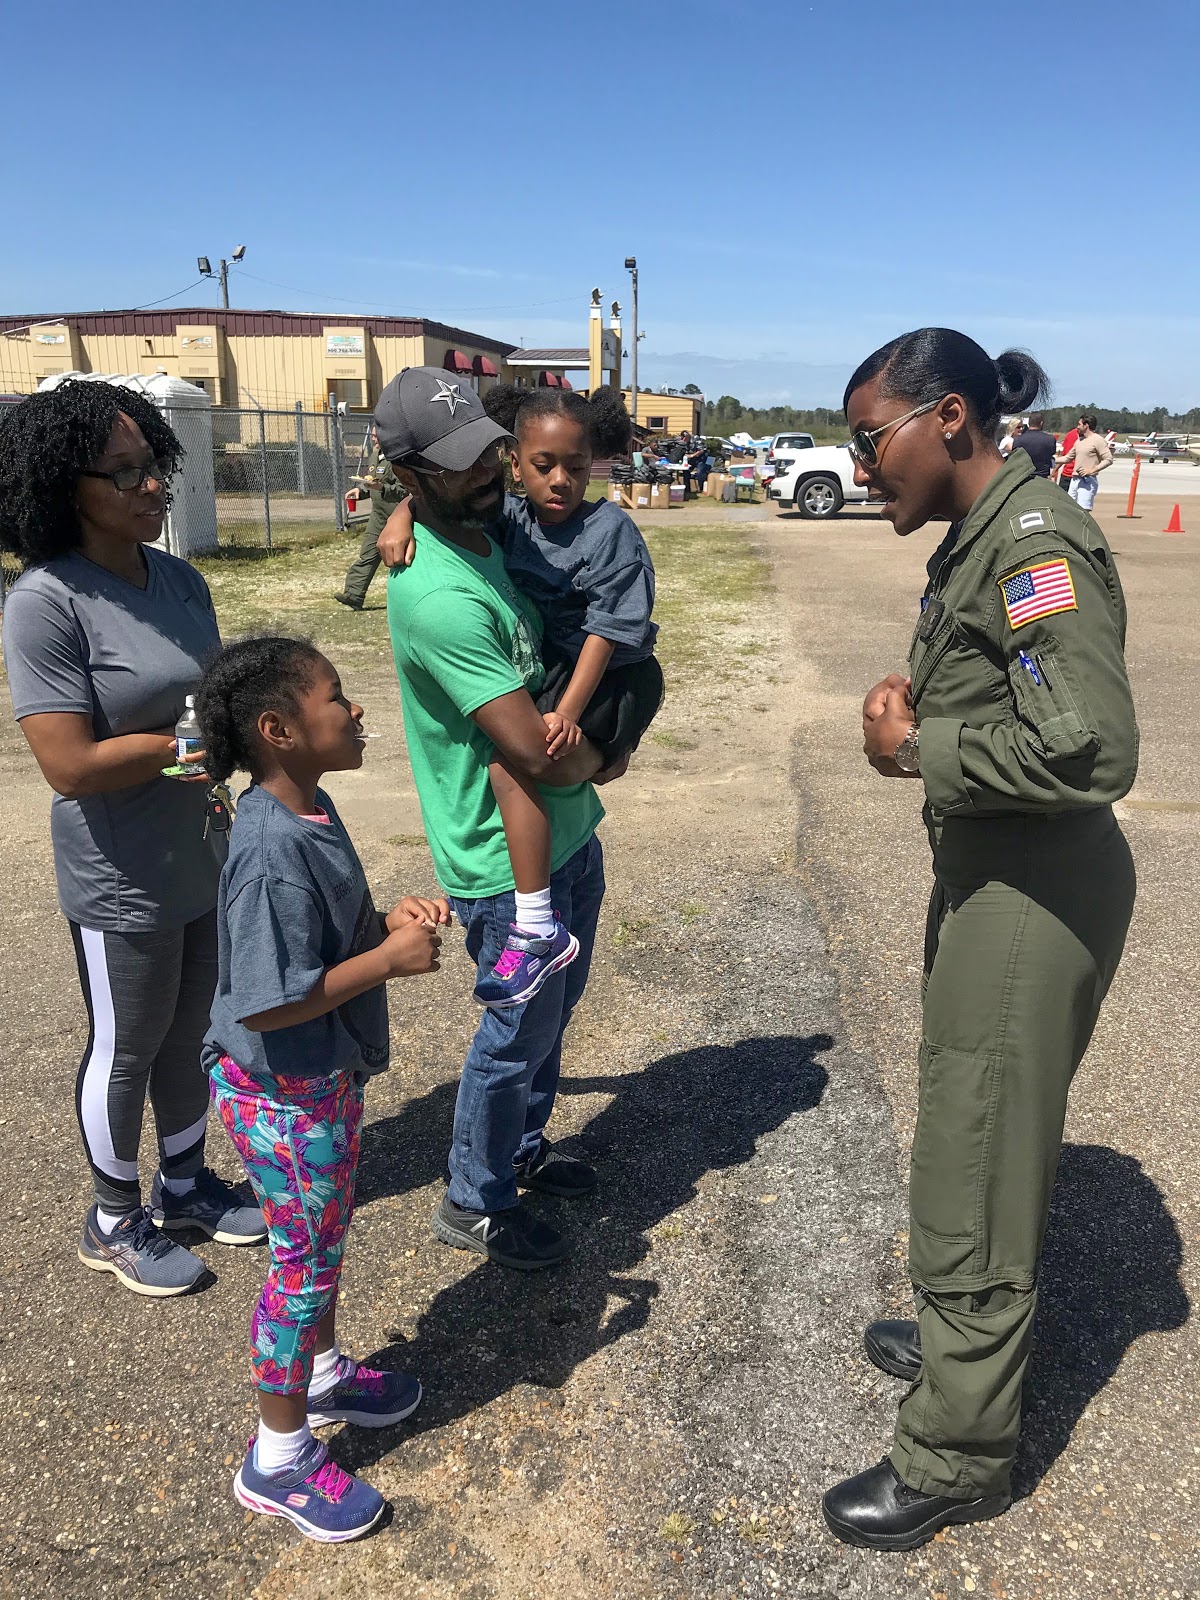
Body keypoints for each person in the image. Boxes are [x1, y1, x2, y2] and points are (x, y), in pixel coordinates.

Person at [823, 328, 1137, 1551]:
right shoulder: (983, 537)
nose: (860, 467)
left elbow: (1094, 748)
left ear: (948, 418)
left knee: (975, 1158)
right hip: (994, 875)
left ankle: (956, 1450)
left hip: (1031, 894)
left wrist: (913, 749)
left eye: (870, 440)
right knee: (972, 1135)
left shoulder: (1035, 541)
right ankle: (966, 1350)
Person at [0, 380, 264, 1298]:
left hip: (199, 847)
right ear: (63, 488)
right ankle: (111, 1218)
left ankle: (186, 1183)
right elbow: (67, 764)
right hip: (119, 871)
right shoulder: (45, 602)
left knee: (195, 1030)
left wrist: (226, 765)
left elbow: (215, 702)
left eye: (154, 464)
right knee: (130, 1040)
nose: (153, 486)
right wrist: (176, 749)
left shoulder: (182, 580)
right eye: (124, 473)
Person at [196, 635, 448, 1542]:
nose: (356, 709)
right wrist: (386, 961)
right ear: (279, 730)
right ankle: (278, 1457)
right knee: (299, 1268)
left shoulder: (313, 805)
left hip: (318, 1079)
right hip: (281, 1091)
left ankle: (326, 1371)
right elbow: (265, 1003)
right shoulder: (266, 849)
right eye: (336, 698)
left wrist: (386, 923)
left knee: (324, 1242)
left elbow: (320, 942)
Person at [375, 366, 625, 1271]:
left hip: (566, 836)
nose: (486, 467)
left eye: (488, 446)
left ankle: (518, 1147)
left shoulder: (484, 528)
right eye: (457, 462)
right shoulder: (437, 595)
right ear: (409, 475)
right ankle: (472, 1200)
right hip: (499, 859)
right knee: (513, 1034)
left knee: (551, 1021)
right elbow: (527, 747)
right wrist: (611, 758)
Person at [381, 381, 663, 1007]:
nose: (560, 480)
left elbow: (608, 632)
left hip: (615, 673)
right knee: (518, 756)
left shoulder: (608, 530)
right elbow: (424, 503)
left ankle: (534, 924)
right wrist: (401, 514)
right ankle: (535, 921)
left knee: (517, 756)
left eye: (576, 467)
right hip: (565, 679)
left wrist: (575, 721)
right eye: (542, 466)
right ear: (519, 463)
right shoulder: (509, 520)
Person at [333, 433, 407, 611]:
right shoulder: (375, 456)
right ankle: (354, 595)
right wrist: (360, 491)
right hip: (378, 515)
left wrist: (382, 488)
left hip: (397, 516)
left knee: (401, 558)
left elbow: (403, 491)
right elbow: (371, 482)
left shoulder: (398, 459)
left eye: (376, 436)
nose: (373, 439)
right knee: (368, 553)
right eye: (372, 436)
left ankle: (406, 599)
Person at [1057, 413, 1113, 510]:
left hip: (1087, 481)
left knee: (1083, 512)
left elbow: (1108, 459)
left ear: (1086, 425)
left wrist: (1092, 470)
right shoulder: (1079, 441)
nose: (1077, 427)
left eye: (1079, 424)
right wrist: (1050, 460)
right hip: (1074, 480)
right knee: (1070, 510)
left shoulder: (1098, 440)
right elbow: (1067, 458)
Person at [1010, 411, 1057, 477]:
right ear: (1041, 423)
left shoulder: (1018, 440)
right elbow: (1051, 454)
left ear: (1029, 423)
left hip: (1023, 477)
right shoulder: (1050, 439)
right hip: (1042, 477)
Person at [1056, 419, 1080, 492]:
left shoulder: (1070, 435)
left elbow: (1064, 455)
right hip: (1080, 475)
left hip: (1068, 474)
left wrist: (1055, 469)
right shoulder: (1092, 438)